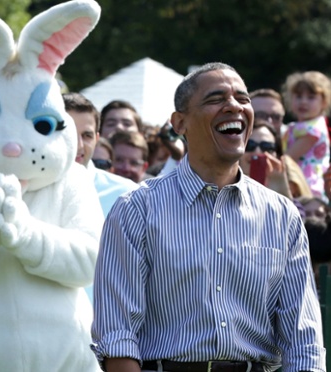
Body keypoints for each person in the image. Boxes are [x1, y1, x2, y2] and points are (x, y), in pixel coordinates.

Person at [92, 62, 325, 372]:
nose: (234, 106)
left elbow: (303, 343)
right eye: (216, 99)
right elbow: (117, 334)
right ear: (179, 123)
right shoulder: (137, 209)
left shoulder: (282, 216)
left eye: (242, 99)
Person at [64, 92, 138, 217]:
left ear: (97, 139)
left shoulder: (127, 195)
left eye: (87, 136)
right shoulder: (25, 188)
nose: (79, 145)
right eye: (69, 133)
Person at [282, 70, 331, 203]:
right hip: (299, 185)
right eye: (298, 96)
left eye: (311, 97)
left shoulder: (313, 130)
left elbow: (288, 158)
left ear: (324, 102)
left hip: (308, 188)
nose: (303, 102)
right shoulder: (299, 127)